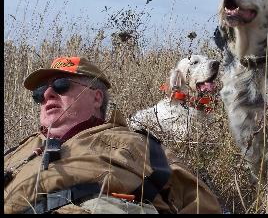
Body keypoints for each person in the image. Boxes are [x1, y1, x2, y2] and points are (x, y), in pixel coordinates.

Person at [4, 56, 222, 214]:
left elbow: (202, 204)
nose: (48, 94)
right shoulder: (18, 151)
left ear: (97, 98)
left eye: (61, 85)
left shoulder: (134, 144)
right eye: (39, 92)